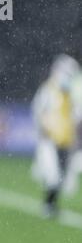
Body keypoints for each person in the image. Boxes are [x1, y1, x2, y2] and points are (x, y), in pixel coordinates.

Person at [31, 54, 80, 218]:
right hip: (50, 140)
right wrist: (44, 130)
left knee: (64, 178)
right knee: (53, 174)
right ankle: (48, 204)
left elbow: (76, 116)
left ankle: (52, 204)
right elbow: (38, 112)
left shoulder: (71, 95)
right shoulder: (48, 91)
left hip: (66, 140)